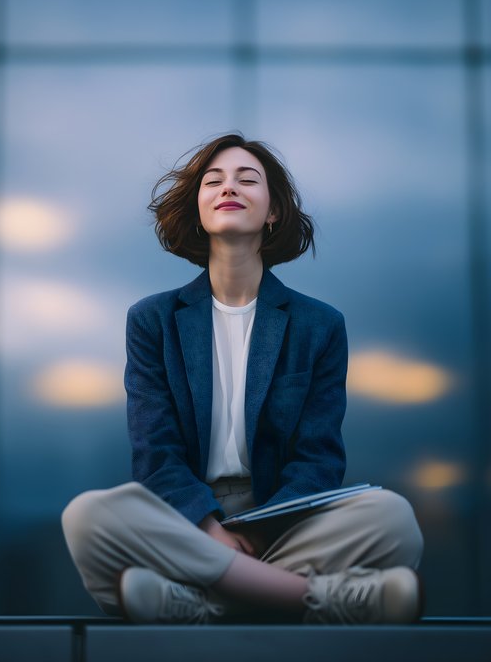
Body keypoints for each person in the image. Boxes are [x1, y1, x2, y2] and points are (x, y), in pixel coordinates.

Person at [62, 133, 424, 624]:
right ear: (199, 208)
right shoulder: (153, 320)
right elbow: (156, 453)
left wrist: (257, 532)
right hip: (186, 521)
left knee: (393, 520)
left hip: (280, 525)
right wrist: (211, 530)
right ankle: (319, 599)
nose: (228, 187)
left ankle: (197, 602)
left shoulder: (319, 325)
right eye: (213, 181)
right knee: (89, 517)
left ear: (272, 210)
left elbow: (318, 458)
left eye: (246, 179)